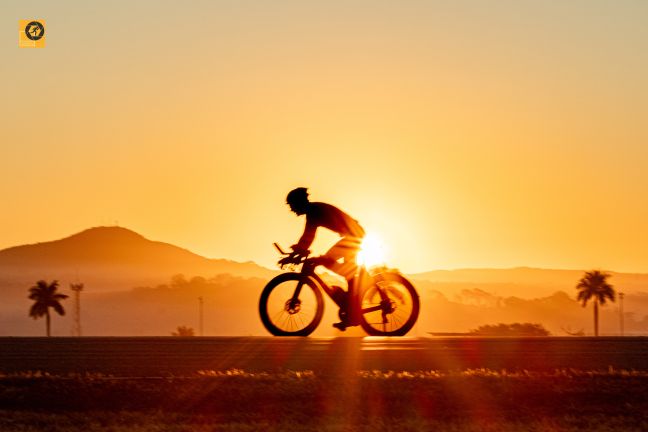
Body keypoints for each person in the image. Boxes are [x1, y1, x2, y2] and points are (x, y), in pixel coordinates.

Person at [283, 187, 365, 330]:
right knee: (328, 262)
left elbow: (307, 238)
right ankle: (351, 302)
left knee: (327, 260)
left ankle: (352, 308)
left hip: (354, 236)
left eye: (292, 206)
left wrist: (296, 254)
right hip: (353, 235)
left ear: (299, 203)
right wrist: (294, 254)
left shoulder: (313, 212)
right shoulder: (313, 211)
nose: (292, 210)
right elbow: (307, 239)